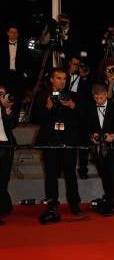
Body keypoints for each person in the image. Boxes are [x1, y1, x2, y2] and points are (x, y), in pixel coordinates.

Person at [31, 68, 82, 223]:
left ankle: (75, 205)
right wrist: (47, 106)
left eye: (64, 78)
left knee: (71, 174)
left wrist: (73, 105)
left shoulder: (72, 96)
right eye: (59, 78)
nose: (62, 81)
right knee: (51, 175)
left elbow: (81, 118)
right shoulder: (42, 96)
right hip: (50, 141)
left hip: (68, 141)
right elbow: (36, 118)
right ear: (52, 80)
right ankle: (52, 206)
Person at [86, 84, 114, 217]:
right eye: (96, 98)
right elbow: (86, 128)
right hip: (98, 151)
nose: (99, 101)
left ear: (106, 95)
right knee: (105, 177)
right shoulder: (90, 108)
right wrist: (92, 136)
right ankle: (108, 202)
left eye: (101, 98)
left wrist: (113, 136)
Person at [0, 85, 17, 225]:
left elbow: (11, 125)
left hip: (5, 146)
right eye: (0, 94)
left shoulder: (7, 108)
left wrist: (7, 110)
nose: (3, 97)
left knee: (4, 179)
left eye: (4, 94)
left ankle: (3, 207)